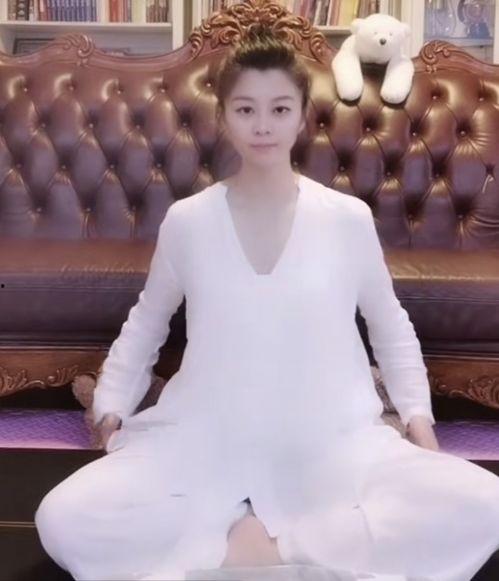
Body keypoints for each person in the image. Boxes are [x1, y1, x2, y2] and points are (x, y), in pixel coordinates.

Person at [34, 24, 499, 581]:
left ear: (301, 116)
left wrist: (420, 423)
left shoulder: (347, 219)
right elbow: (146, 323)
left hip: (332, 442)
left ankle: (268, 548)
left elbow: (390, 328)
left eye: (279, 109)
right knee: (61, 517)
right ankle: (277, 545)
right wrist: (110, 409)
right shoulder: (188, 221)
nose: (262, 126)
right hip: (205, 438)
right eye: (245, 110)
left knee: (487, 505)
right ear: (224, 117)